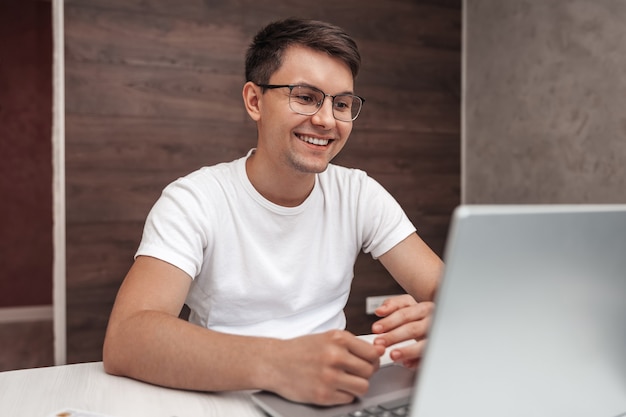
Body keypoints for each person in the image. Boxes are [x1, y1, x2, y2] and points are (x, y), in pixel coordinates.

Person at [102, 17, 444, 406]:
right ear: (254, 101)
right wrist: (278, 363)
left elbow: (447, 290)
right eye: (305, 97)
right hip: (225, 396)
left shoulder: (358, 192)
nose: (327, 120)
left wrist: (445, 315)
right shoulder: (195, 199)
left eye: (342, 104)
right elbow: (128, 337)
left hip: (333, 396)